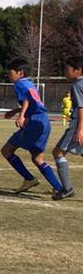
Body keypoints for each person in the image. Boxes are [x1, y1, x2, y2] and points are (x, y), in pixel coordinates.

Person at [0, 58, 63, 195]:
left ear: (20, 73)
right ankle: (59, 188)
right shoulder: (28, 83)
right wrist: (16, 111)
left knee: (6, 150)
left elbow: (29, 99)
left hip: (33, 121)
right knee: (37, 158)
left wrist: (21, 115)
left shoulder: (20, 84)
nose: (9, 75)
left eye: (10, 72)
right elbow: (34, 103)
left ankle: (29, 179)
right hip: (43, 121)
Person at [52, 57, 83, 200]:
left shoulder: (77, 85)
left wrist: (79, 129)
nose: (65, 72)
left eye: (67, 69)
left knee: (58, 152)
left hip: (78, 124)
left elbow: (82, 109)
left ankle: (67, 189)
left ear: (77, 71)